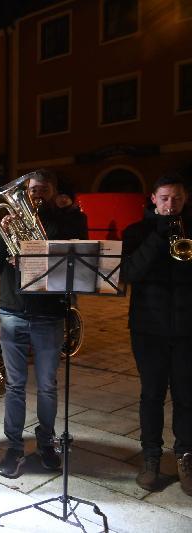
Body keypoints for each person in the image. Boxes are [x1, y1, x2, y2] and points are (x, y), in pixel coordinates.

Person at [0, 170, 88, 479]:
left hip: (48, 314)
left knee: (47, 386)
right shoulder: (8, 221)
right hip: (13, 312)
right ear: (25, 193)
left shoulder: (65, 221)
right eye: (32, 190)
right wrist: (3, 236)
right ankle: (14, 446)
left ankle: (46, 442)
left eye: (44, 189)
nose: (37, 195)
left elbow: (74, 266)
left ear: (53, 192)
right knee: (14, 386)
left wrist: (40, 256)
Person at [121, 173, 192, 496]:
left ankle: (185, 456)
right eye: (164, 198)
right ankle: (151, 457)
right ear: (153, 199)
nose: (170, 204)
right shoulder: (136, 232)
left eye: (176, 198)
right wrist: (158, 235)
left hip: (186, 328)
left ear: (185, 199)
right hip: (148, 328)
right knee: (151, 394)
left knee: (186, 397)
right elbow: (130, 273)